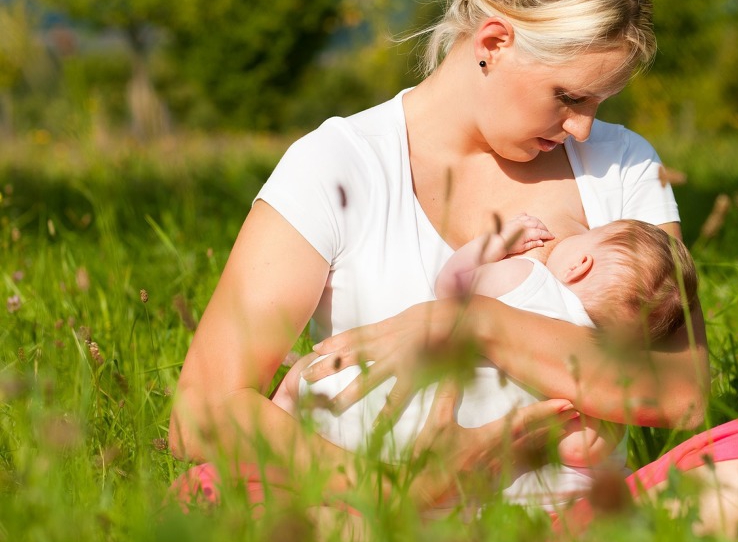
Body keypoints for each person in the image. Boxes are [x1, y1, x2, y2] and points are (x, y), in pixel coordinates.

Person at [169, 0, 738, 535]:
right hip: (377, 508)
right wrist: (399, 487)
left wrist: (476, 324)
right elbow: (203, 409)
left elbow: (677, 391)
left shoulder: (622, 166)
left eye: (599, 103)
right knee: (212, 491)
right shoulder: (341, 163)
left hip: (565, 516)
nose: (583, 129)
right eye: (569, 97)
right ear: (493, 43)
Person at [272, 214, 697, 508]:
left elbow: (450, 287)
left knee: (303, 381)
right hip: (471, 461)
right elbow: (580, 448)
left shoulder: (527, 279)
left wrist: (494, 246)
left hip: (402, 413)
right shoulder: (602, 368)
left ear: (581, 264)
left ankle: (277, 422)